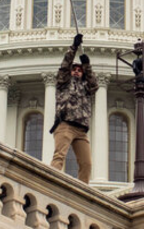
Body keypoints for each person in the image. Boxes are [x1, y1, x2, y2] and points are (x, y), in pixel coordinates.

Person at [49, 33, 97, 183]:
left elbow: (94, 84)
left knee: (86, 164)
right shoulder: (64, 83)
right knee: (59, 157)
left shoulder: (85, 87)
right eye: (74, 69)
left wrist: (87, 65)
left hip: (81, 130)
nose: (76, 71)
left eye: (79, 70)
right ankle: (50, 183)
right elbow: (64, 66)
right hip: (65, 125)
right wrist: (74, 47)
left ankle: (82, 192)